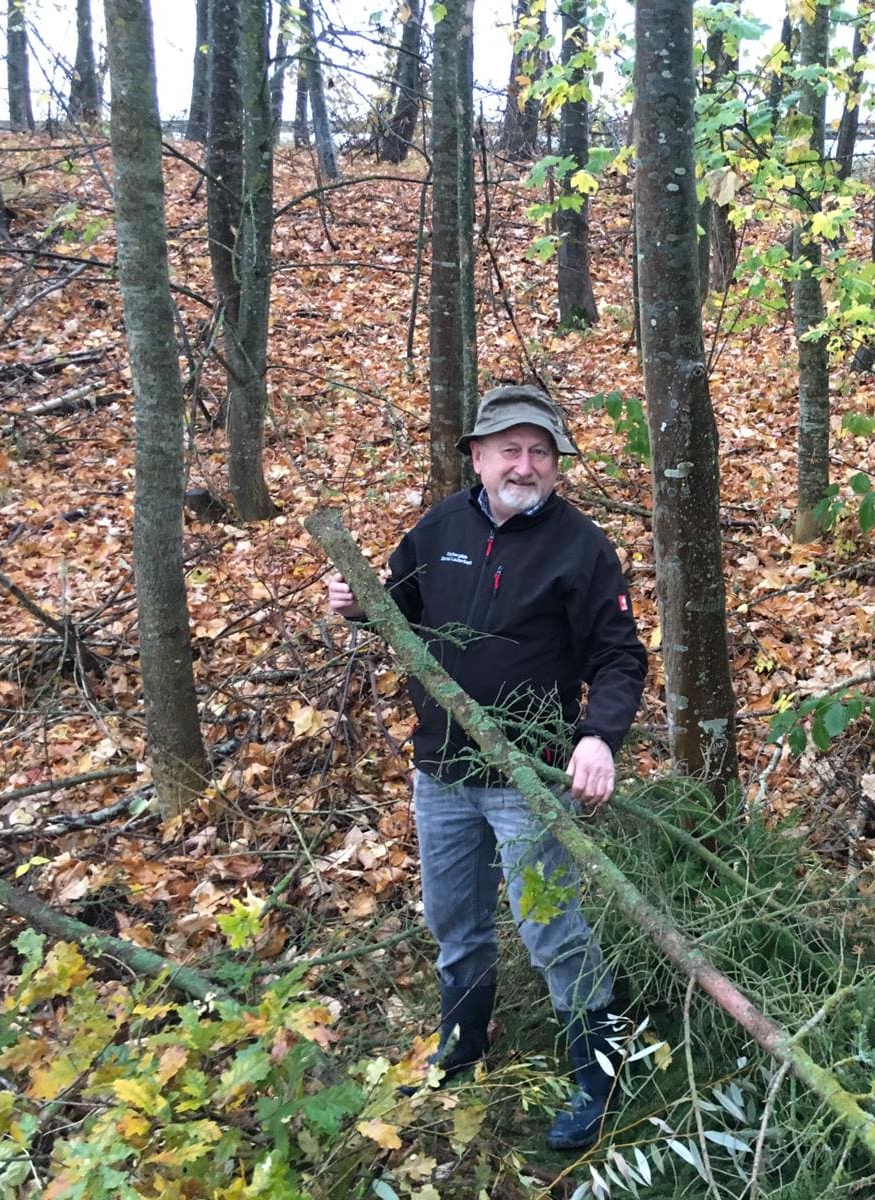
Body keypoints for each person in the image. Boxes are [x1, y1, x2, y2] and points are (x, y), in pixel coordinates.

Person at [326, 383, 649, 1149]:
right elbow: (400, 608)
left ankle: (597, 1073)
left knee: (549, 927)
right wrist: (360, 603)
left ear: (556, 465)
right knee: (455, 925)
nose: (525, 465)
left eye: (540, 452)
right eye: (510, 450)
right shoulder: (441, 527)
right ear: (477, 457)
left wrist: (598, 738)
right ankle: (460, 1054)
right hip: (441, 770)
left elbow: (619, 657)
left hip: (529, 779)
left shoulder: (582, 547)